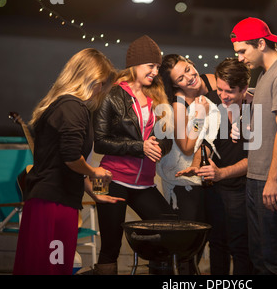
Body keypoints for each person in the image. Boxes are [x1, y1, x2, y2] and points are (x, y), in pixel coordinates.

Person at [13, 48, 122, 275]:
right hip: (54, 203)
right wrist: (95, 172)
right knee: (53, 268)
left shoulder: (63, 105)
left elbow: (63, 162)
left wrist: (92, 192)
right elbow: (71, 157)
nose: (101, 91)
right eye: (102, 84)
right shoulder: (73, 107)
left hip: (51, 200)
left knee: (40, 267)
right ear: (92, 79)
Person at [92, 35, 175, 275]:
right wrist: (140, 147)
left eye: (157, 67)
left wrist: (161, 146)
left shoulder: (157, 96)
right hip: (109, 179)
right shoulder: (112, 94)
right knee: (110, 246)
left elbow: (163, 140)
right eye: (151, 66)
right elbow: (100, 143)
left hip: (144, 182)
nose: (155, 71)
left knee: (170, 225)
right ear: (135, 65)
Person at [230, 17, 277, 275]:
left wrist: (273, 179)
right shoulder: (265, 75)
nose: (239, 58)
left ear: (261, 43)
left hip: (275, 180)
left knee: (275, 260)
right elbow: (269, 125)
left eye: (243, 51)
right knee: (259, 259)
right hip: (257, 177)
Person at [177, 58, 254, 275]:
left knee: (241, 247)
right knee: (217, 244)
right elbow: (206, 142)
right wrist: (198, 164)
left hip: (241, 188)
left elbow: (254, 160)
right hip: (214, 187)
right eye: (219, 89)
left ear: (244, 89)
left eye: (229, 91)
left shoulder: (255, 109)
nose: (222, 95)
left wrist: (221, 173)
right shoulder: (211, 100)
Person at [157, 54, 217, 222]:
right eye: (181, 78)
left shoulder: (211, 80)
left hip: (216, 166)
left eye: (188, 69)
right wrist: (199, 117)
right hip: (188, 178)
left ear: (191, 64)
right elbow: (186, 147)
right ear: (175, 85)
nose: (190, 78)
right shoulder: (179, 104)